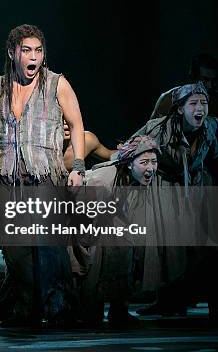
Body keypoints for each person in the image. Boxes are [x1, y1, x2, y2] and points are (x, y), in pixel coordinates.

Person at [0, 24, 85, 327]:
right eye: (26, 50)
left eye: (38, 50)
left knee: (50, 250)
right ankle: (23, 310)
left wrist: (78, 166)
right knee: (17, 253)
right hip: (7, 178)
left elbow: (75, 124)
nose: (33, 56)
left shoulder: (56, 84)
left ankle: (60, 310)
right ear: (13, 53)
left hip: (45, 175)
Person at [134, 83, 218, 320]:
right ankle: (169, 301)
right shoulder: (159, 128)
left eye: (203, 103)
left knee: (213, 244)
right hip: (167, 186)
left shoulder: (212, 126)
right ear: (180, 109)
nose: (200, 108)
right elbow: (132, 151)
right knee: (169, 246)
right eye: (193, 104)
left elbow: (217, 158)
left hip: (198, 185)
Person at [81, 135, 161, 327]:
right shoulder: (103, 179)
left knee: (127, 253)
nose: (150, 168)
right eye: (144, 162)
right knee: (96, 261)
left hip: (112, 220)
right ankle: (90, 311)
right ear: (129, 163)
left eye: (154, 162)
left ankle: (119, 310)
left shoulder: (136, 180)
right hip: (87, 223)